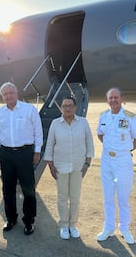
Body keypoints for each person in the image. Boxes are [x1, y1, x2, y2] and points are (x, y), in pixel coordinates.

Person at [0, 82, 43, 235]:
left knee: (28, 189)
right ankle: (11, 219)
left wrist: (37, 151)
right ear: (2, 97)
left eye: (11, 93)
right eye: (5, 94)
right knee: (7, 189)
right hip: (6, 154)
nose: (8, 96)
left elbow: (38, 132)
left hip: (25, 153)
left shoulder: (29, 110)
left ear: (16, 93)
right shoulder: (0, 112)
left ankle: (29, 221)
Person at [96, 87, 136, 245]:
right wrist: (111, 150)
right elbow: (100, 134)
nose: (113, 100)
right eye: (111, 98)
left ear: (122, 99)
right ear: (107, 100)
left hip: (123, 162)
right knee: (108, 197)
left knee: (123, 198)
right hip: (107, 161)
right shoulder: (103, 116)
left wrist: (124, 151)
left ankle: (124, 228)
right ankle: (109, 228)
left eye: (116, 97)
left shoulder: (130, 117)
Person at [44, 96, 94, 240]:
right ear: (61, 108)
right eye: (65, 106)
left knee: (75, 198)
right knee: (62, 197)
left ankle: (73, 225)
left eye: (70, 105)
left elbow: (89, 143)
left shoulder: (83, 123)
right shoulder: (55, 123)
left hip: (79, 166)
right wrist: (50, 164)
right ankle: (64, 226)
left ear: (75, 107)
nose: (67, 108)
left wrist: (87, 164)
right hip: (60, 166)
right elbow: (50, 144)